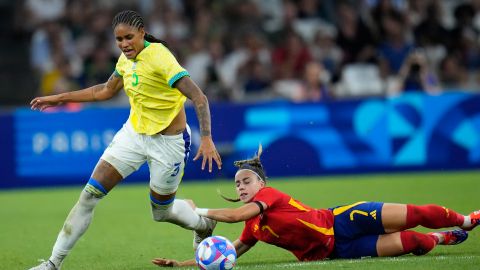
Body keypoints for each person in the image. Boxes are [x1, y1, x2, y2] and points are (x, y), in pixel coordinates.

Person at [29, 10, 222, 270]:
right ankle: (53, 264)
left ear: (142, 33)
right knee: (89, 196)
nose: (123, 44)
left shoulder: (160, 58)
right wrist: (59, 98)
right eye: (119, 40)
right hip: (133, 135)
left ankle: (203, 223)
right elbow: (106, 90)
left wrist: (207, 139)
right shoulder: (125, 59)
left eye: (128, 38)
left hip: (169, 143)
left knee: (161, 213)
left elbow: (199, 97)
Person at [152, 146, 479, 267]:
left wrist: (197, 213)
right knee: (413, 241)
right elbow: (230, 252)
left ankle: (466, 220)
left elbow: (236, 216)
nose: (241, 186)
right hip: (335, 251)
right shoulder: (253, 228)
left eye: (246, 181)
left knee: (416, 214)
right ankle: (439, 238)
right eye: (237, 184)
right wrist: (183, 265)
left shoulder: (271, 196)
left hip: (342, 220)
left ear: (261, 185)